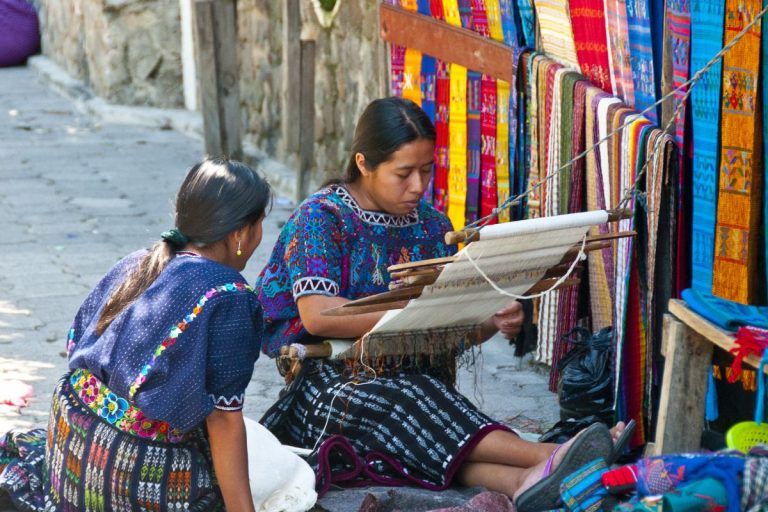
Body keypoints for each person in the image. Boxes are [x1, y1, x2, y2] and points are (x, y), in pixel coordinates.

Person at [257, 97, 627, 510]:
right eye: (404, 173)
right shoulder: (322, 218)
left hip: (418, 384)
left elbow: (456, 328)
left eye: (426, 170)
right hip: (330, 386)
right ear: (363, 163)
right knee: (406, 402)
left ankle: (524, 479)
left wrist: (492, 316)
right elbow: (319, 314)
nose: (418, 185)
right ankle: (553, 456)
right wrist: (412, 315)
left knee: (423, 419)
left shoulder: (433, 226)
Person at [0, 158, 271, 512]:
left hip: (69, 442)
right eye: (260, 224)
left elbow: (77, 341)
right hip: (125, 465)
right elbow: (223, 418)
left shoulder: (140, 261)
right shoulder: (231, 296)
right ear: (239, 233)